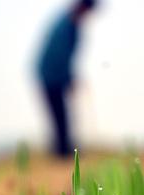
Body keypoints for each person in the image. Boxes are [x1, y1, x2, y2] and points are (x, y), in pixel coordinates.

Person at [36, 0, 98, 157]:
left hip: (54, 75)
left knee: (62, 114)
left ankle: (64, 150)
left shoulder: (70, 25)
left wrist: (69, 77)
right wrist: (68, 78)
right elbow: (59, 56)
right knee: (59, 115)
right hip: (50, 76)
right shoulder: (66, 26)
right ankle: (62, 153)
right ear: (82, 8)